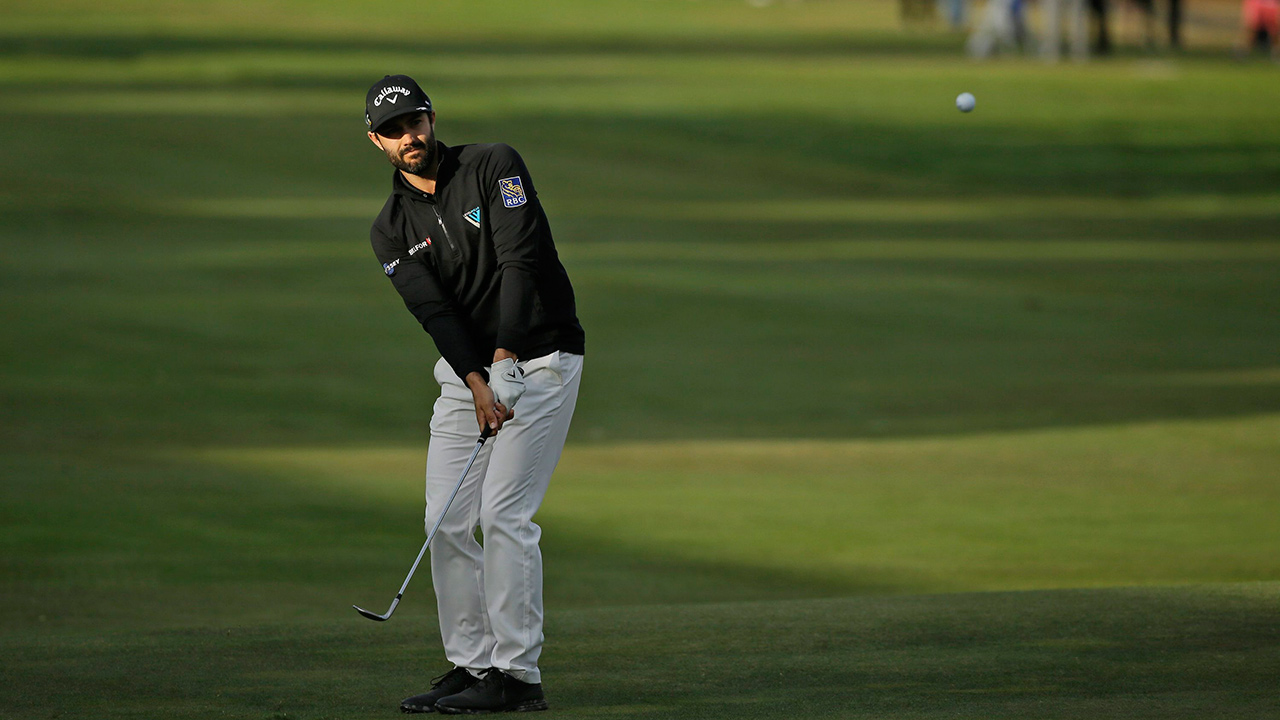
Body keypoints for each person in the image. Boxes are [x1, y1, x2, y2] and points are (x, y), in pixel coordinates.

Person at [363, 74, 585, 714]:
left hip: (542, 360)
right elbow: (434, 313)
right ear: (376, 141)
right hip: (471, 376)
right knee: (445, 520)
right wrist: (478, 380)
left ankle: (518, 675)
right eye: (393, 130)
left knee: (504, 515)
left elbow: (520, 259)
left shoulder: (494, 166)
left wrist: (508, 356)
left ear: (432, 119)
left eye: (415, 122)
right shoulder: (390, 228)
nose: (409, 136)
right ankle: (472, 662)